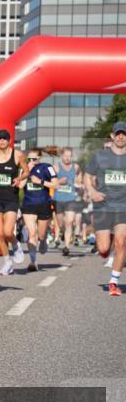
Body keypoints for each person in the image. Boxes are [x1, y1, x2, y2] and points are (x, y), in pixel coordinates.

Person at [84, 121, 126, 296]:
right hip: (103, 206)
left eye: (124, 134)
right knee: (103, 249)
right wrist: (92, 191)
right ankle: (107, 240)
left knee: (121, 242)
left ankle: (114, 282)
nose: (121, 136)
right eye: (118, 134)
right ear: (112, 136)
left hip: (123, 206)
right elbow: (88, 176)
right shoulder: (99, 156)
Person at [0, 129, 28, 275]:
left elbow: (26, 171)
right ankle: (7, 263)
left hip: (11, 198)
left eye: (4, 139)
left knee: (8, 231)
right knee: (0, 233)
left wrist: (19, 178)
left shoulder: (17, 155)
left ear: (9, 140)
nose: (1, 141)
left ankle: (15, 244)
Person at [21, 148, 63, 272]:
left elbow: (56, 185)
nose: (32, 162)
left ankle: (43, 241)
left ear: (39, 159)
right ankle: (33, 261)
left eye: (34, 159)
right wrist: (26, 171)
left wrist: (40, 182)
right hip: (28, 204)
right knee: (31, 233)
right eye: (29, 159)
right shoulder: (24, 168)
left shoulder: (47, 167)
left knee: (41, 235)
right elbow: (20, 185)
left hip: (43, 204)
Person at [52, 147, 80, 257]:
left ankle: (67, 246)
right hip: (58, 199)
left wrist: (78, 182)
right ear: (61, 156)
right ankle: (63, 232)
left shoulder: (76, 167)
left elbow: (79, 177)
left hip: (70, 199)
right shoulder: (56, 168)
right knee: (61, 223)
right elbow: (50, 182)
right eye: (66, 156)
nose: (68, 158)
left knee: (69, 221)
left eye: (69, 156)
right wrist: (59, 181)